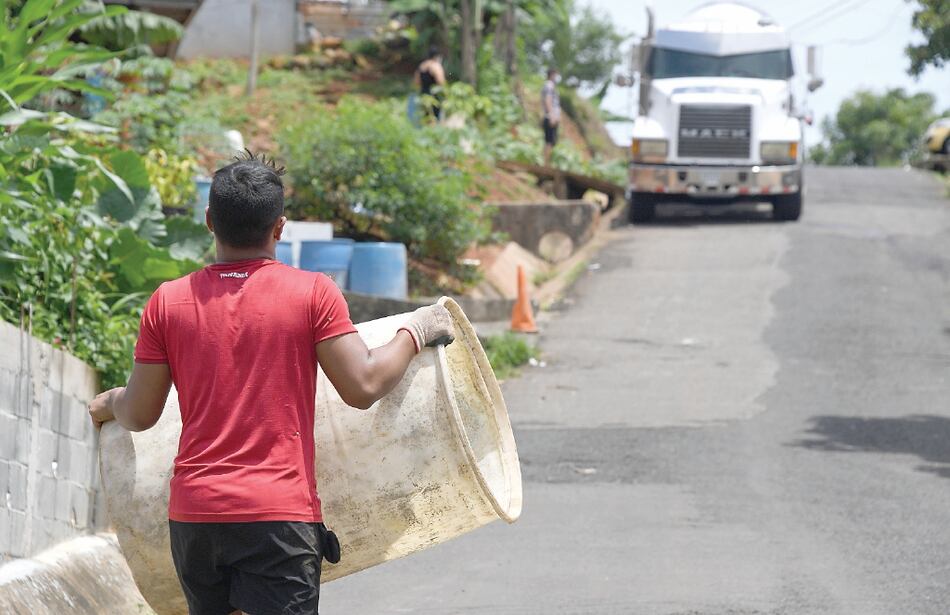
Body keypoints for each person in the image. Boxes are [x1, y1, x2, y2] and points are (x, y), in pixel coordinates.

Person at [87, 152, 454, 615]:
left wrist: (111, 402)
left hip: (196, 520)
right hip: (277, 517)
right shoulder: (312, 293)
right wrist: (415, 331)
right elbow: (362, 385)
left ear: (209, 220)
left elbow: (140, 414)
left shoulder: (168, 302)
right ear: (279, 228)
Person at [414, 46, 446, 120]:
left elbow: (416, 82)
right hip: (434, 96)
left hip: (423, 94)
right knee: (435, 117)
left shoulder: (422, 65)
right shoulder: (436, 65)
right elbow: (441, 82)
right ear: (436, 56)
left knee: (426, 117)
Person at [541, 67, 561, 166]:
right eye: (556, 75)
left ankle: (547, 163)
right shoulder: (549, 85)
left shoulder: (551, 86)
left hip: (552, 117)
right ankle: (546, 164)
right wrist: (552, 116)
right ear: (552, 75)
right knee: (549, 141)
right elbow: (548, 100)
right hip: (550, 117)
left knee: (551, 141)